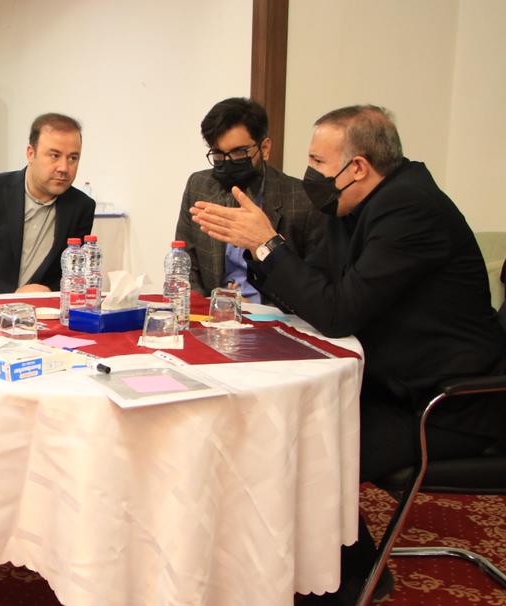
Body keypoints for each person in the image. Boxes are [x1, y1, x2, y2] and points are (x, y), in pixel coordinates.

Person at [190, 105, 506, 604]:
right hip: (390, 384)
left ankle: (342, 585)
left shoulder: (411, 211)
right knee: (287, 429)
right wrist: (260, 250)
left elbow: (337, 312)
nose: (309, 173)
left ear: (357, 167)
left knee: (300, 452)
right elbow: (315, 287)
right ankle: (351, 568)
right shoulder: (352, 204)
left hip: (447, 405)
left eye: (318, 162)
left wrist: (267, 244)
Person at [175, 97, 325, 303]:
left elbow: (313, 286)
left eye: (239, 152)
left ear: (265, 148)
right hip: (213, 311)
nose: (227, 162)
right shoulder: (199, 186)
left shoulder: (302, 199)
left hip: (272, 313)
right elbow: (185, 265)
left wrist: (255, 307)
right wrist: (210, 306)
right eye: (218, 154)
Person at [0, 113, 95, 297]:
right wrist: (12, 293)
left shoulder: (81, 207)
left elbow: (69, 273)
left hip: (36, 309)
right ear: (31, 154)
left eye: (73, 158)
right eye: (54, 155)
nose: (64, 168)